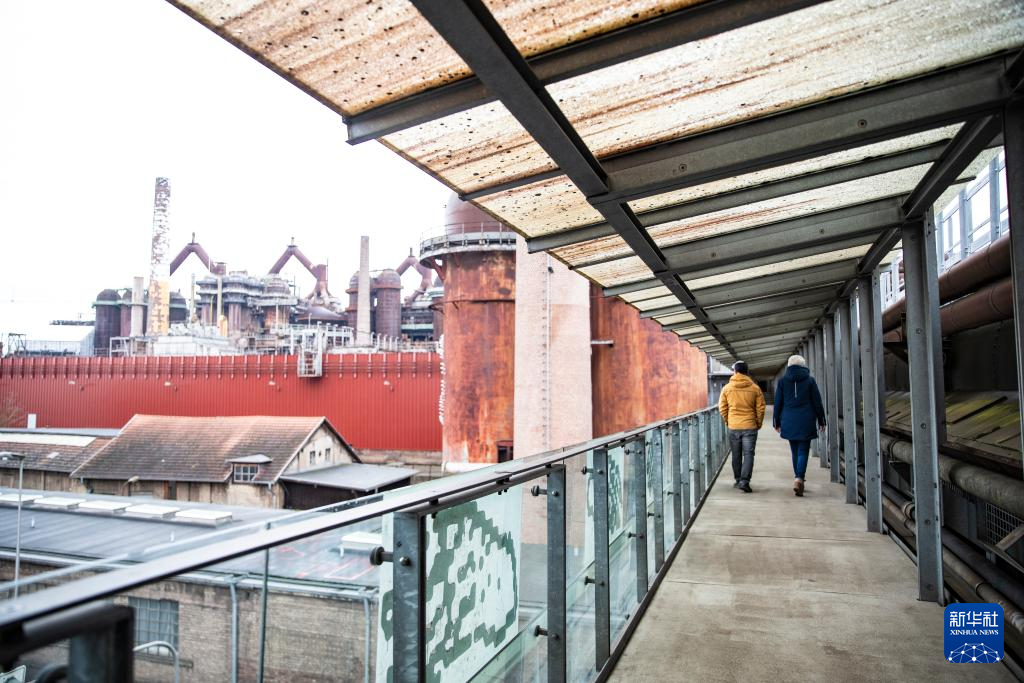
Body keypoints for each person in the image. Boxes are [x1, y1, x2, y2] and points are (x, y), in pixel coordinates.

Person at [773, 354, 826, 497]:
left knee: (794, 450)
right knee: (803, 450)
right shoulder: (810, 380)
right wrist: (822, 420)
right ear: (803, 365)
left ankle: (798, 477)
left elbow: (778, 403)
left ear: (789, 366)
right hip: (806, 420)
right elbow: (817, 402)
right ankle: (799, 478)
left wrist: (776, 421)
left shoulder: (783, 381)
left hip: (789, 420)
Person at [718, 360, 765, 493]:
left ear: (735, 371)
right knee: (749, 454)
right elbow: (760, 408)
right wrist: (758, 423)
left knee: (736, 454)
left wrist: (728, 421)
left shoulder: (727, 388)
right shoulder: (755, 388)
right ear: (747, 372)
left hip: (734, 426)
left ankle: (738, 480)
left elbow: (722, 407)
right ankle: (745, 481)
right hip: (750, 425)